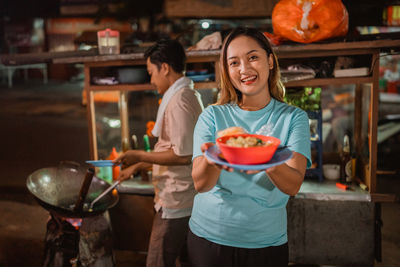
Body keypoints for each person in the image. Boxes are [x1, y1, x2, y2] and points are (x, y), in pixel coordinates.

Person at [187, 27, 311, 267]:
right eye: (234, 63)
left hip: (265, 243)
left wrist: (262, 156)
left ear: (270, 61)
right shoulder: (212, 116)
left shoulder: (293, 118)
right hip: (209, 239)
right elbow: (201, 184)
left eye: (253, 57)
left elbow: (293, 185)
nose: (244, 69)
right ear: (227, 71)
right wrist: (215, 157)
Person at [113, 39, 204, 267]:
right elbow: (175, 151)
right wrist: (137, 167)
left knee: (157, 261)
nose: (151, 80)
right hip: (183, 197)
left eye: (151, 72)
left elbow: (182, 155)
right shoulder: (184, 95)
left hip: (176, 200)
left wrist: (139, 155)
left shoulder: (180, 100)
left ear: (165, 68)